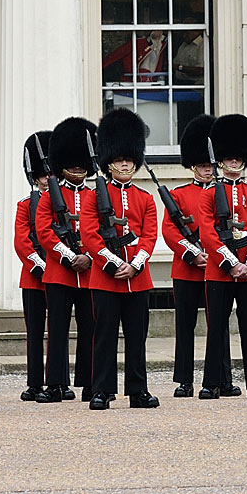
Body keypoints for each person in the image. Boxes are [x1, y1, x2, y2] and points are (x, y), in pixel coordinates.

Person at [81, 108, 159, 410]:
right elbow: (90, 235)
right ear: (108, 162)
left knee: (136, 337)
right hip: (106, 276)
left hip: (137, 278)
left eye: (128, 158)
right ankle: (101, 389)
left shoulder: (145, 198)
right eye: (118, 159)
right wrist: (113, 263)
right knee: (104, 336)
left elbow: (149, 236)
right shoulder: (92, 197)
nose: (124, 163)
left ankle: (138, 389)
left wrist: (135, 263)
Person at [196, 113, 247, 400]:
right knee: (216, 329)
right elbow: (207, 231)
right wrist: (230, 262)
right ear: (221, 160)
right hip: (220, 269)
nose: (234, 162)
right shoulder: (209, 193)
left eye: (238, 158)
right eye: (229, 157)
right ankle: (212, 382)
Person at [161, 114, 233, 398]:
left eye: (209, 165)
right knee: (185, 325)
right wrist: (193, 254)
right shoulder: (179, 194)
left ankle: (222, 378)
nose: (207, 170)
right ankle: (184, 379)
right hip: (188, 269)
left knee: (219, 325)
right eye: (202, 165)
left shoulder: (225, 192)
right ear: (192, 165)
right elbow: (170, 230)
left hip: (217, 267)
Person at [35, 116, 97, 403]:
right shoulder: (49, 196)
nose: (77, 167)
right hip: (60, 271)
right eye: (72, 163)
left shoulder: (96, 195)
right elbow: (44, 231)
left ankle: (90, 382)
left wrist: (88, 256)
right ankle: (55, 384)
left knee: (90, 328)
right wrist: (70, 256)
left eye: (81, 163)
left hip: (89, 271)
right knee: (57, 330)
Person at [14, 130, 51, 401]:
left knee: (59, 332)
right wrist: (40, 266)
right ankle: (35, 381)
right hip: (35, 276)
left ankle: (57, 381)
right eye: (42, 175)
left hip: (62, 272)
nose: (47, 179)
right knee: (35, 332)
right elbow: (22, 241)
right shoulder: (25, 205)